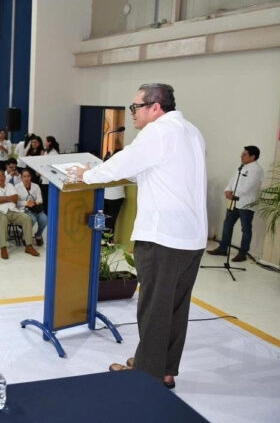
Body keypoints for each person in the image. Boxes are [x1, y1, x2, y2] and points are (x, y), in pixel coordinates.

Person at [73, 83, 207, 389]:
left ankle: (147, 375)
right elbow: (145, 169)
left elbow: (124, 163)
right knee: (176, 307)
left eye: (136, 107)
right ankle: (164, 368)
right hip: (192, 238)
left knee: (154, 308)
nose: (132, 112)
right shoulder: (191, 131)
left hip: (163, 238)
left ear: (155, 107)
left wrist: (86, 174)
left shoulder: (157, 132)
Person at [207, 145, 264, 262]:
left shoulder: (256, 170)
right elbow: (233, 180)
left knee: (245, 229)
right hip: (233, 201)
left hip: (246, 204)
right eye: (242, 154)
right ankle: (223, 249)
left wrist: (233, 193)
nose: (241, 156)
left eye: (244, 154)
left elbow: (249, 187)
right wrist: (227, 190)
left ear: (253, 157)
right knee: (227, 224)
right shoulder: (242, 166)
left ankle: (242, 253)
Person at [0, 171, 39, 259]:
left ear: (5, 177)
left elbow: (15, 198)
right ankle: (3, 247)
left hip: (12, 210)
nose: (1, 177)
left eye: (2, 175)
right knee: (3, 219)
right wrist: (9, 198)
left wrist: (3, 198)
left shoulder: (10, 185)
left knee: (26, 218)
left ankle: (29, 246)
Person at [16, 169, 47, 246]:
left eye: (28, 176)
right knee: (32, 219)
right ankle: (24, 234)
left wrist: (34, 203)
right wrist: (26, 203)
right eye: (24, 176)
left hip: (35, 208)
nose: (26, 178)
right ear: (21, 178)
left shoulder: (36, 186)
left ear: (31, 177)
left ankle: (38, 235)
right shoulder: (17, 187)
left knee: (44, 219)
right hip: (24, 209)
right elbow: (16, 203)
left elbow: (40, 200)